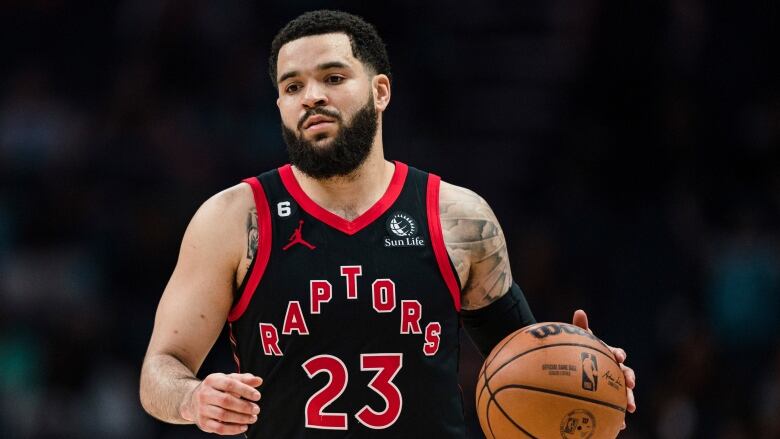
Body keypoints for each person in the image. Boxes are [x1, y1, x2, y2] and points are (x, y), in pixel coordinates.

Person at [139, 10, 636, 437]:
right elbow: (159, 370)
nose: (311, 96)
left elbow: (523, 362)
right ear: (281, 107)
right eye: (293, 86)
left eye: (333, 77)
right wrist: (192, 398)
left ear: (380, 91)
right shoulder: (233, 218)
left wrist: (579, 370)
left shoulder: (458, 217)